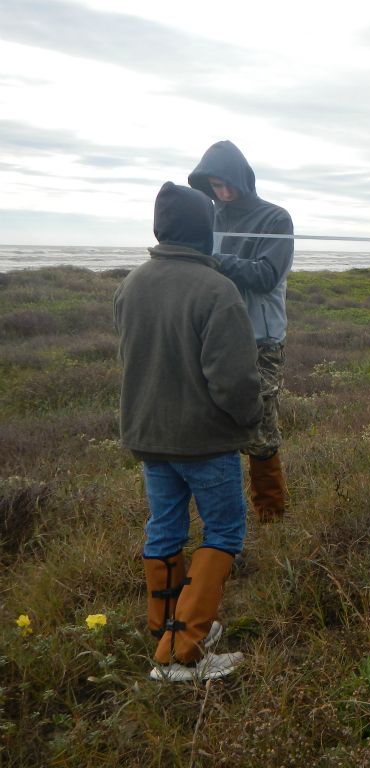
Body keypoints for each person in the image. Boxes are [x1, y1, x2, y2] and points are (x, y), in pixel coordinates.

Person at [114, 182, 264, 682]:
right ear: (205, 232)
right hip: (204, 440)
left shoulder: (132, 283)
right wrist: (250, 419)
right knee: (222, 532)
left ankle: (166, 625)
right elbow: (236, 379)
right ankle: (181, 652)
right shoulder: (216, 288)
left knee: (165, 529)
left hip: (150, 437)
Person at [189, 140, 294, 522]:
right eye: (215, 186)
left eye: (228, 184)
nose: (224, 194)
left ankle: (271, 514)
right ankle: (226, 517)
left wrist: (213, 259)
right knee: (215, 422)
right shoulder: (208, 216)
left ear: (244, 178)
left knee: (260, 425)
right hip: (213, 333)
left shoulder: (276, 219)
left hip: (261, 339)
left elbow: (266, 277)